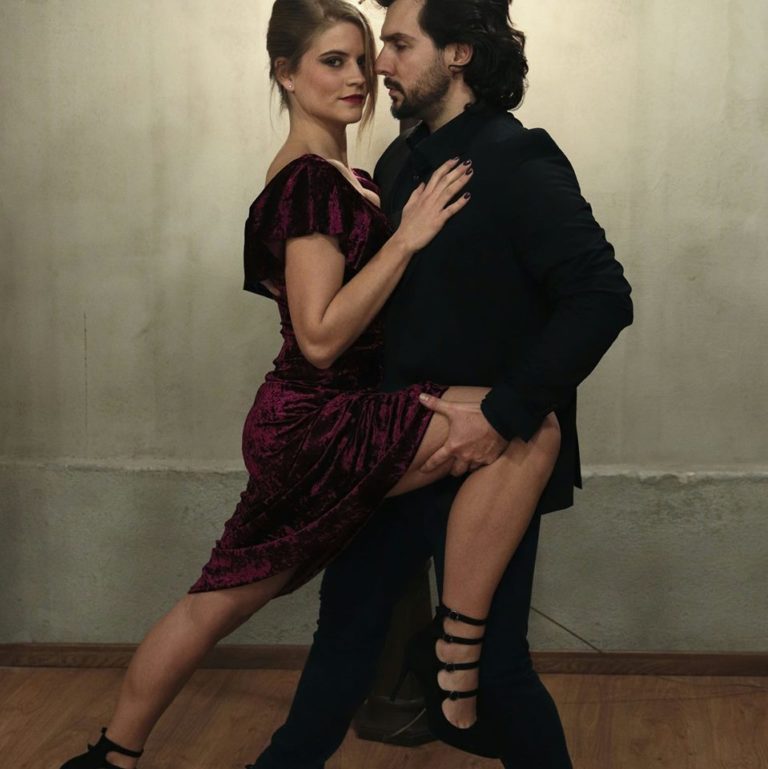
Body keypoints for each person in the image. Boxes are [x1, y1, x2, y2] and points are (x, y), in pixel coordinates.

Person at [59, 1, 567, 768]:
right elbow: (321, 338)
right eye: (334, 61)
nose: (360, 75)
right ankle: (453, 661)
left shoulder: (351, 176)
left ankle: (113, 755)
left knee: (222, 601)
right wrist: (405, 239)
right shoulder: (308, 184)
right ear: (286, 74)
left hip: (337, 413)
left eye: (364, 57)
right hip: (317, 418)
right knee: (527, 422)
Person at [250, 0, 634, 767]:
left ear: (458, 53)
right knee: (343, 646)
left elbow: (601, 296)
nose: (379, 64)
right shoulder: (398, 161)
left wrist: (501, 414)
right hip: (395, 449)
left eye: (398, 44)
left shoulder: (517, 158)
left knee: (498, 670)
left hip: (489, 461)